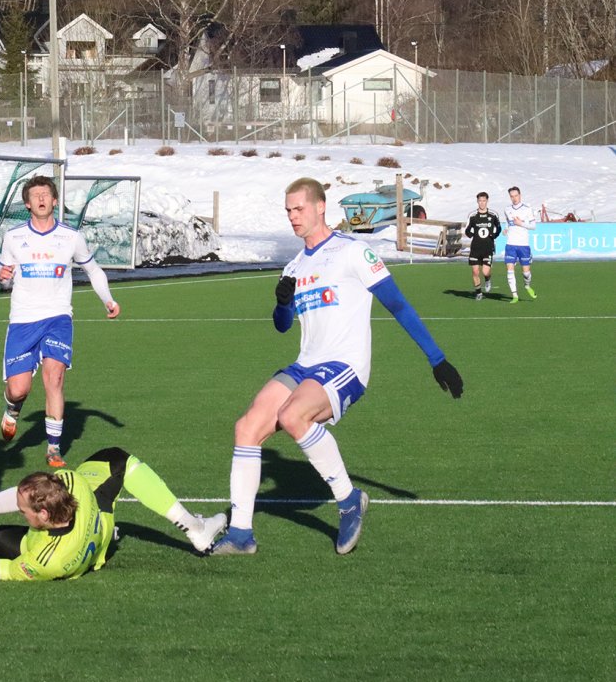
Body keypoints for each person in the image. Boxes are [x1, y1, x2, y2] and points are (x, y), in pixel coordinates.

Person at [210, 177, 464, 558]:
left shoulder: (353, 252)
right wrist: (281, 303)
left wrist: (437, 358)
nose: (293, 217)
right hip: (305, 364)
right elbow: (283, 326)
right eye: (288, 211)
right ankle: (242, 534)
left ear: (319, 207)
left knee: (294, 416)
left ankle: (348, 500)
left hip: (345, 364)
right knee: (246, 427)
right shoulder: (295, 265)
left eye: (298, 209)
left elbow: (397, 304)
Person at [0, 446, 227, 579]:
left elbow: (4, 571)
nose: (20, 513)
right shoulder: (73, 485)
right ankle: (194, 527)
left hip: (78, 551)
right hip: (98, 518)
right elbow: (35, 495)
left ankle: (194, 529)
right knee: (117, 458)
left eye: (25, 511)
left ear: (43, 516)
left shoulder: (46, 561)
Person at [0, 175, 120, 468]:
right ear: (27, 203)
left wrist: (108, 300)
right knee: (19, 389)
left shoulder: (71, 237)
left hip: (58, 317)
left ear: (54, 201)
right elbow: (2, 280)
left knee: (55, 377)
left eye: (45, 194)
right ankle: (13, 408)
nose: (40, 199)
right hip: (23, 320)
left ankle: (53, 449)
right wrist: (4, 279)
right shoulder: (13, 237)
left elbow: (93, 270)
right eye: (35, 195)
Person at [464, 192, 502, 301]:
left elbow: (498, 228)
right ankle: (478, 293)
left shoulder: (493, 215)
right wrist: (471, 234)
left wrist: (494, 235)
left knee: (485, 272)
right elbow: (467, 229)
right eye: (480, 201)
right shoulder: (472, 216)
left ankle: (488, 279)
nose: (482, 203)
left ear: (487, 201)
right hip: (475, 248)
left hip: (488, 247)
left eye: (484, 201)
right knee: (475, 271)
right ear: (477, 201)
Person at [503, 186, 537, 304]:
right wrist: (506, 229)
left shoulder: (527, 209)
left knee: (526, 273)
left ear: (520, 195)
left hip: (523, 245)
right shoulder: (507, 209)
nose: (514, 198)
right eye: (512, 196)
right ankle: (515, 295)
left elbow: (533, 226)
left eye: (516, 196)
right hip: (510, 244)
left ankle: (527, 286)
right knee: (509, 270)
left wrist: (521, 223)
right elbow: (508, 223)